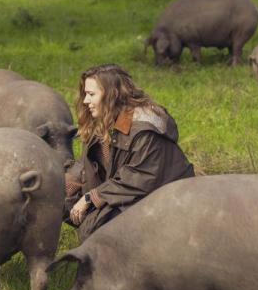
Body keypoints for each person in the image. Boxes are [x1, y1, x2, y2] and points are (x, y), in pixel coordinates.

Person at [65, 63, 194, 241]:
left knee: (94, 230)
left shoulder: (144, 131)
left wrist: (91, 198)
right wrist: (66, 183)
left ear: (112, 95)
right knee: (58, 199)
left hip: (160, 200)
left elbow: (138, 179)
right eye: (85, 94)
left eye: (91, 94)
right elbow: (90, 164)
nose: (86, 101)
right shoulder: (105, 119)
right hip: (121, 191)